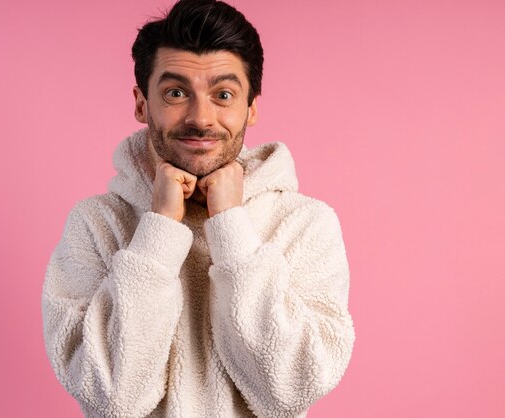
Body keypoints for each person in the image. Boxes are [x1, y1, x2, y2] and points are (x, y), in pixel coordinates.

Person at [41, 1, 355, 417]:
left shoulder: (305, 224)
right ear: (141, 103)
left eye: (223, 95)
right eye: (175, 93)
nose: (201, 118)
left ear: (252, 107)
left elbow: (289, 389)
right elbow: (112, 398)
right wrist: (158, 232)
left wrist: (232, 228)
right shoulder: (95, 224)